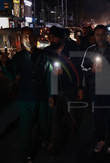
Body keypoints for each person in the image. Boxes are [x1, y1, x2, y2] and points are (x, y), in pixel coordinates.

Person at [1, 27, 52, 163]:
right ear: (21, 40)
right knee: (25, 127)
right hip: (26, 99)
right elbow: (12, 75)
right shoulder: (18, 58)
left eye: (30, 37)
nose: (28, 40)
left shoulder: (43, 55)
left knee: (44, 122)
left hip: (42, 96)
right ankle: (26, 153)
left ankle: (43, 138)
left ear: (35, 38)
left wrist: (51, 95)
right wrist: (4, 64)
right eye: (25, 37)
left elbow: (49, 76)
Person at [81, 25, 110, 161]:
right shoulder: (90, 50)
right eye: (97, 34)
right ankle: (100, 140)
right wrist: (91, 70)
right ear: (94, 36)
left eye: (103, 34)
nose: (100, 37)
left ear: (107, 35)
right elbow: (82, 68)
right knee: (98, 119)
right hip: (96, 91)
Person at [44, 26, 83, 157]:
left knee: (71, 114)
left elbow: (79, 70)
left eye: (53, 37)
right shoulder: (48, 51)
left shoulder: (72, 50)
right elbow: (44, 70)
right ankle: (54, 142)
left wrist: (80, 88)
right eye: (49, 37)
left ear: (61, 38)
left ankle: (73, 133)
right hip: (54, 90)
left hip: (70, 89)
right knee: (55, 117)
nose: (51, 40)